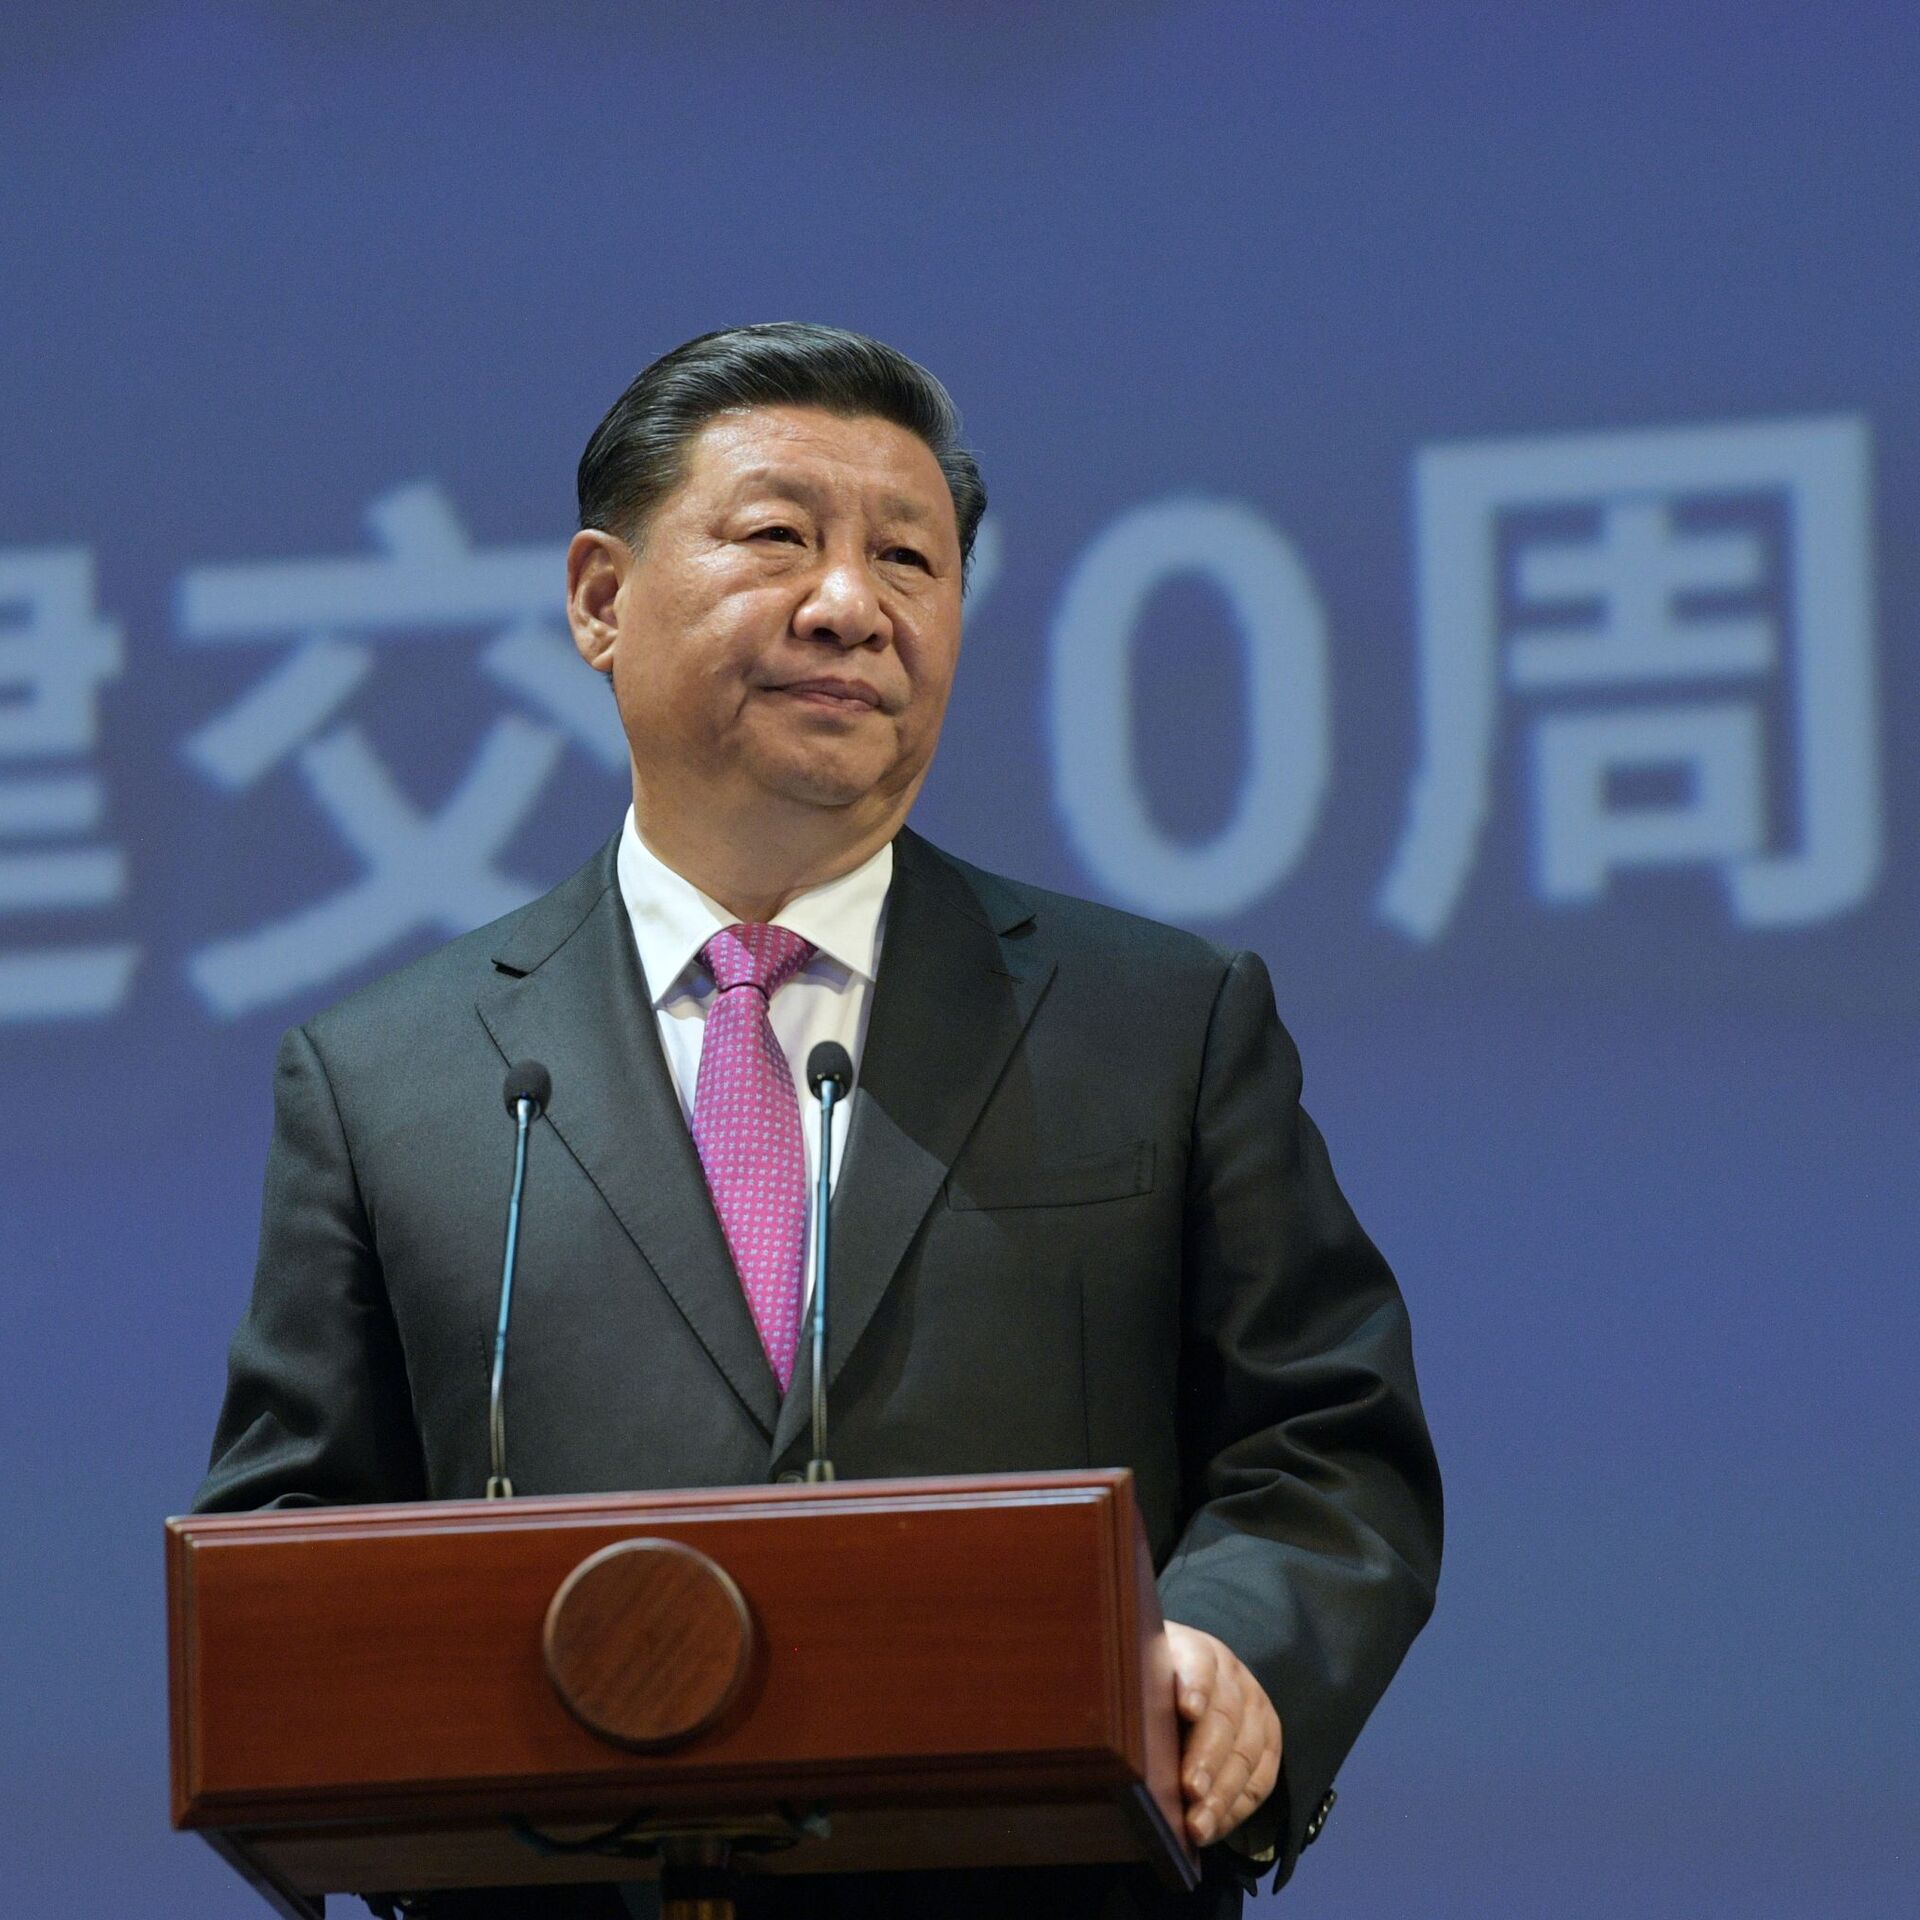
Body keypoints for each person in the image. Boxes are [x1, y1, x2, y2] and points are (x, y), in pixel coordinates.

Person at [195, 323, 1442, 1919]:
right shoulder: (393, 1077)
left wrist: (1230, 1644)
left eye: (909, 559)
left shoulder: (1157, 1023)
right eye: (780, 537)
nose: (852, 605)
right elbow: (287, 1537)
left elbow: (1326, 1445)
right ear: (598, 598)